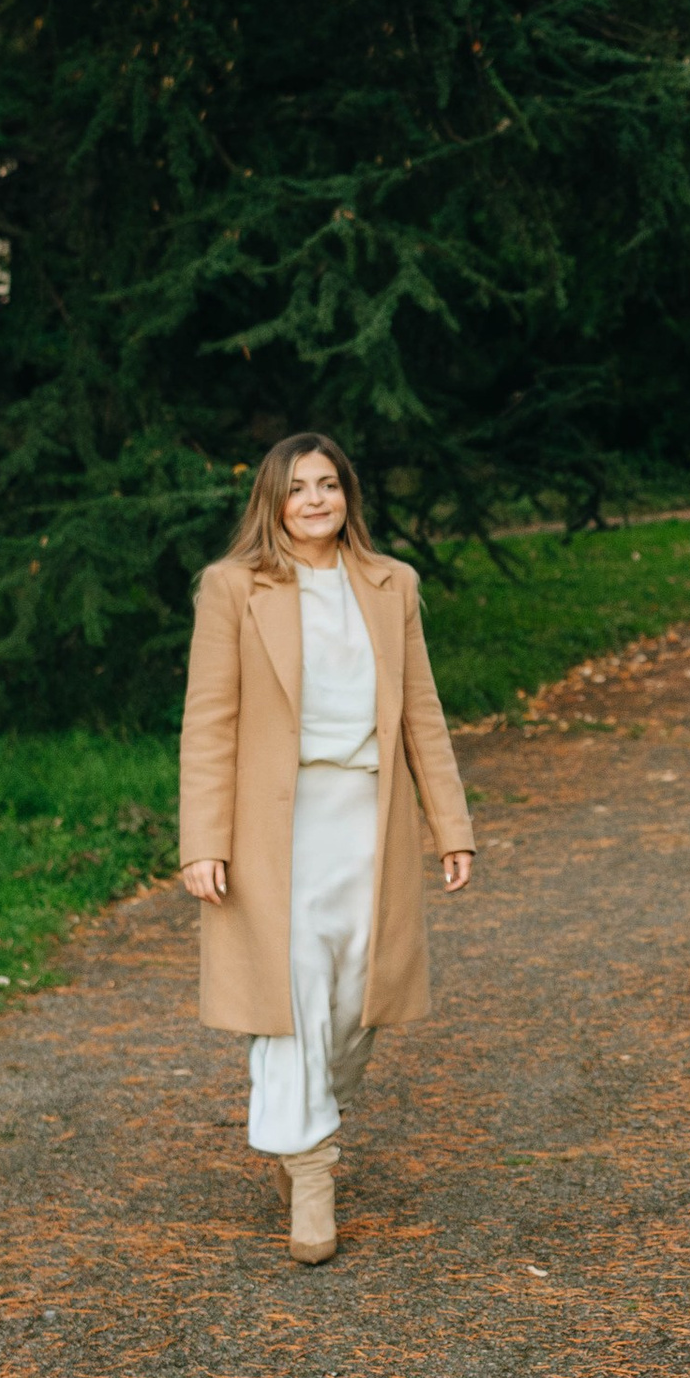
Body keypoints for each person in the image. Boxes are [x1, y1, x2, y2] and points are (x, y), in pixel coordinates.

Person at [178, 434, 474, 1267]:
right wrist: (202, 840)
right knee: (294, 993)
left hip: (369, 819)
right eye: (297, 486)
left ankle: (300, 1121)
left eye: (329, 484)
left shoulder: (390, 585)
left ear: (348, 494)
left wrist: (452, 825)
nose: (315, 499)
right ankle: (313, 1178)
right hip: (273, 827)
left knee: (354, 998)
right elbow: (208, 722)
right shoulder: (232, 588)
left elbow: (422, 710)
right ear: (271, 500)